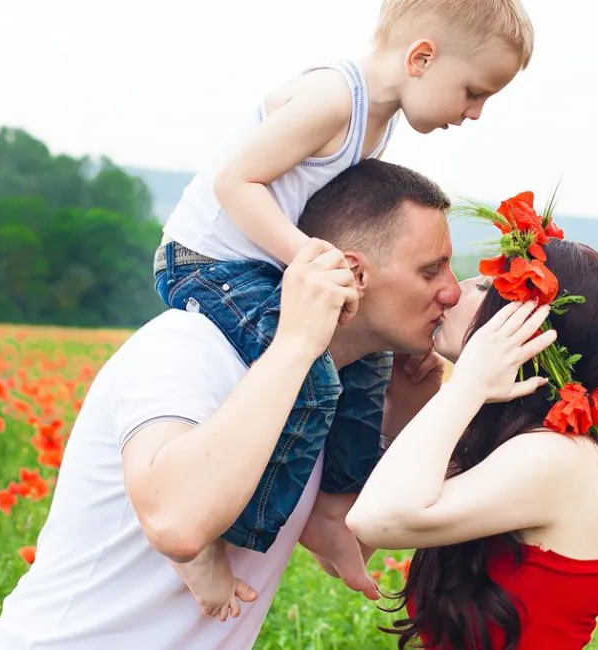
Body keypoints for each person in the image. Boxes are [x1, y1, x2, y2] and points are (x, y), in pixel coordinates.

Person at [0, 160, 460, 649]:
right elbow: (176, 524)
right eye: (430, 270)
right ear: (352, 272)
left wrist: (405, 416)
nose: (452, 291)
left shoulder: (335, 389)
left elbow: (347, 546)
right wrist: (294, 343)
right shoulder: (189, 345)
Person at [153, 0, 534, 617]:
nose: (475, 112)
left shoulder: (377, 123)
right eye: (472, 91)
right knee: (310, 375)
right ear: (421, 58)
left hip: (271, 265)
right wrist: (311, 257)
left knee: (369, 365)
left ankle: (332, 510)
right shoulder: (336, 99)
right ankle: (215, 536)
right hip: (211, 263)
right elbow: (235, 183)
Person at [346, 193, 598, 650]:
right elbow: (347, 549)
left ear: (530, 327)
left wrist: (463, 388)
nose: (457, 288)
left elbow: (375, 520)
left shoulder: (559, 455)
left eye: (488, 287)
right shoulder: (513, 443)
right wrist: (415, 413)